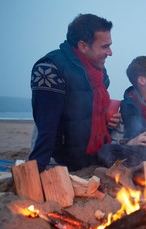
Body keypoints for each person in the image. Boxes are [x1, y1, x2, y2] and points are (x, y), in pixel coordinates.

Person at [29, 13, 120, 172]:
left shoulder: (99, 71)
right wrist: (36, 169)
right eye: (105, 46)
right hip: (58, 161)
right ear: (83, 46)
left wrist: (106, 120)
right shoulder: (50, 68)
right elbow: (47, 127)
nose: (110, 52)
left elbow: (86, 115)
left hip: (88, 158)